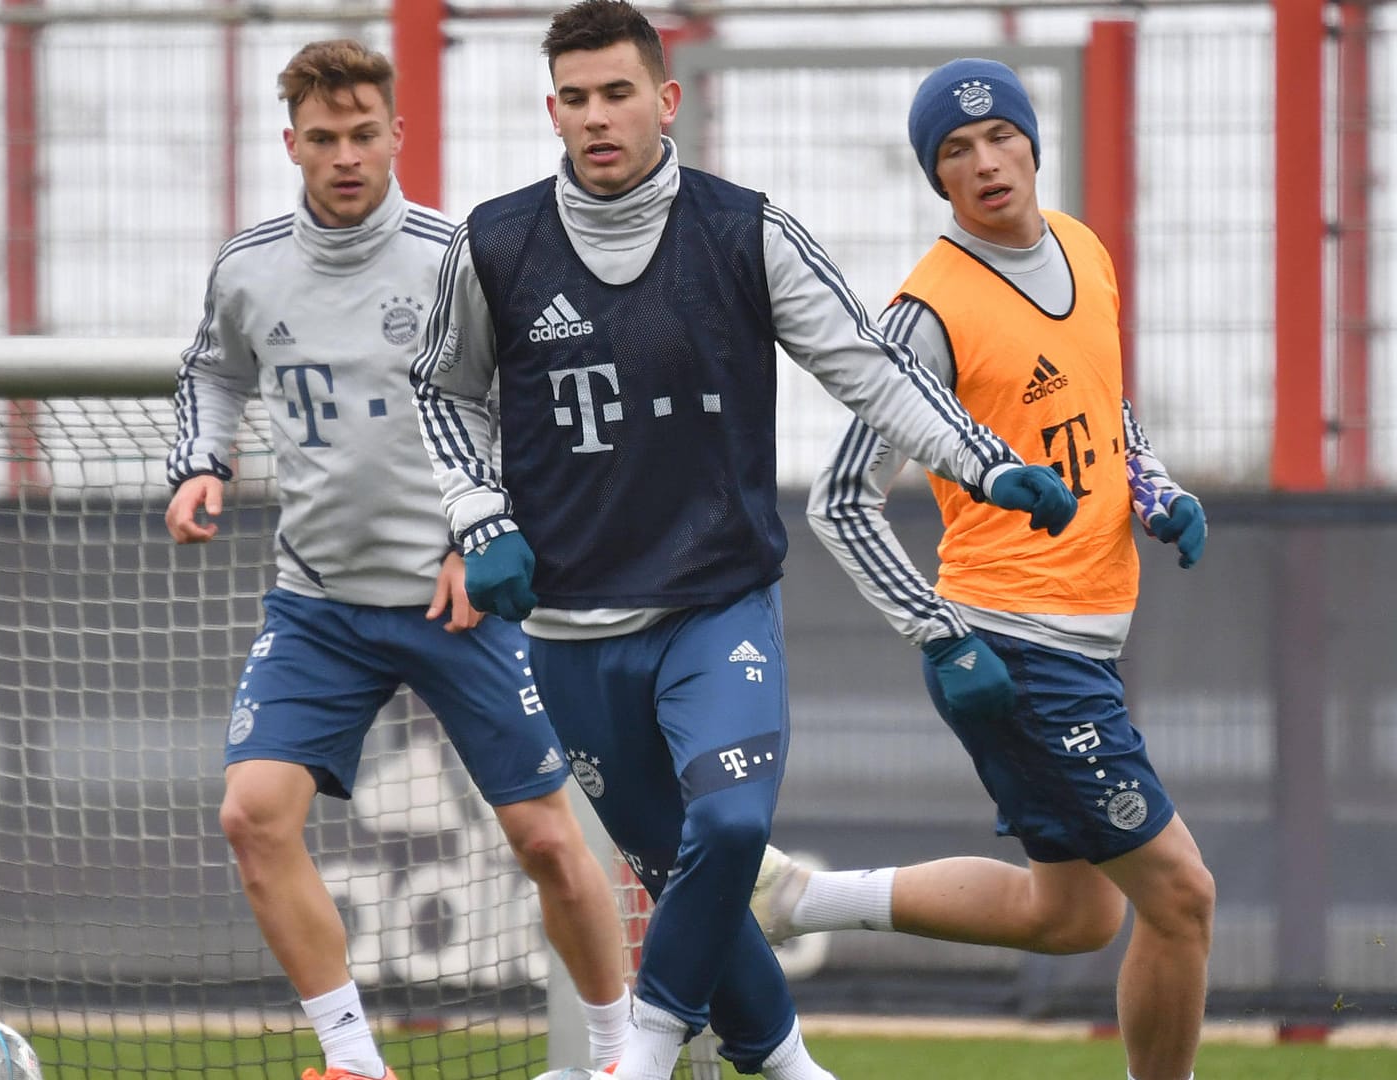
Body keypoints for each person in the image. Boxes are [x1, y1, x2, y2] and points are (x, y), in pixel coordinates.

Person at [408, 7, 1078, 1078]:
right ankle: (784, 1065)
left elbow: (869, 365)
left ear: (665, 100)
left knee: (725, 834)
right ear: (553, 111)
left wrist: (984, 462)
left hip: (716, 605)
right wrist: (480, 515)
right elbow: (442, 395)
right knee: (689, 877)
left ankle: (642, 1052)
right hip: (573, 632)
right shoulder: (494, 244)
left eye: (616, 92)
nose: (596, 117)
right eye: (574, 99)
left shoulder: (744, 230)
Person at [164, 40, 631, 1080]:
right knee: (252, 818)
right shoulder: (249, 269)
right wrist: (201, 463)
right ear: (292, 143)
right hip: (318, 606)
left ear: (396, 135)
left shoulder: (457, 257)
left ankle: (614, 1053)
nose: (344, 157)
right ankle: (353, 1061)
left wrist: (485, 532)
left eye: (363, 135)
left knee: (551, 844)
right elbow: (211, 371)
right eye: (322, 139)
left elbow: (532, 410)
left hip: (454, 600)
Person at [749, 58, 1217, 1080]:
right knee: (1181, 896)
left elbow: (1105, 407)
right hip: (1012, 641)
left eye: (999, 136)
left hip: (1087, 635)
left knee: (1077, 915)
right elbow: (840, 498)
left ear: (1032, 144)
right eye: (954, 151)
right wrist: (942, 633)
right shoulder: (926, 311)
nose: (985, 161)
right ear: (937, 179)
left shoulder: (1086, 249)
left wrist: (1155, 489)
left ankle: (796, 901)